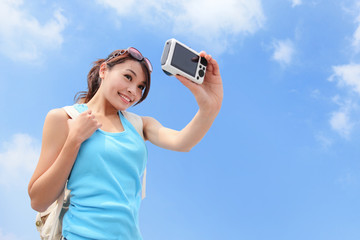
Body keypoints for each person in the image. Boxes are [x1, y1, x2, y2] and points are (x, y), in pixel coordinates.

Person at [28, 46, 223, 239]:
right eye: (128, 77)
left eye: (141, 87)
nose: (133, 91)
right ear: (104, 70)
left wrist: (209, 108)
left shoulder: (140, 125)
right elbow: (38, 200)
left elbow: (183, 142)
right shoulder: (64, 118)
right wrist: (74, 140)